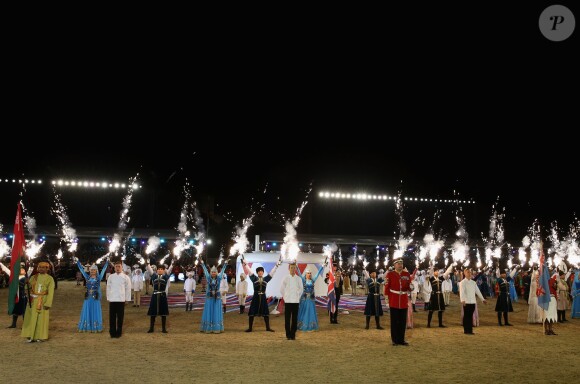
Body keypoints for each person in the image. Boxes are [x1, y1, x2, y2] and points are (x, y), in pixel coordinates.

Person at [242, 259, 281, 332]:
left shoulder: (266, 279)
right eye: (259, 271)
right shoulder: (254, 278)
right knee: (252, 312)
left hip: (263, 297)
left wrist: (276, 265)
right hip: (256, 297)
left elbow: (272, 273)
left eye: (261, 271)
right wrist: (246, 265)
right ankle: (250, 328)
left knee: (265, 312)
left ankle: (268, 328)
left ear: (263, 272)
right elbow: (250, 271)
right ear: (257, 273)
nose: (260, 272)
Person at [21, 261, 55, 342]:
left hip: (42, 301)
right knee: (30, 318)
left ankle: (40, 336)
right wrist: (26, 283)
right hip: (32, 300)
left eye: (43, 267)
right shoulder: (33, 277)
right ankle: (30, 335)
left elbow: (50, 292)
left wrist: (48, 303)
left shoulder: (50, 279)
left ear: (47, 269)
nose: (41, 269)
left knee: (41, 319)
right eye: (40, 267)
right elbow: (27, 288)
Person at [76, 259, 109, 332]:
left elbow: (103, 270)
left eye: (94, 270)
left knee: (95, 311)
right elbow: (81, 270)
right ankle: (87, 326)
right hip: (88, 298)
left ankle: (95, 327)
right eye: (91, 270)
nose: (92, 271)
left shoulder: (98, 278)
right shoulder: (87, 277)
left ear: (96, 271)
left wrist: (107, 263)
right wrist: (78, 263)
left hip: (95, 298)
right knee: (87, 310)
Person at [384, 258, 411, 346]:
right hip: (394, 300)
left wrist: (411, 287)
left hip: (403, 300)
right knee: (394, 321)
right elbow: (387, 288)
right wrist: (387, 300)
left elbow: (409, 286)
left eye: (401, 263)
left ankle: (401, 339)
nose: (400, 265)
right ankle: (395, 340)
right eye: (398, 263)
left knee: (403, 322)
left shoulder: (406, 274)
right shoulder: (390, 274)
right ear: (394, 265)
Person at [296, 262, 326, 332]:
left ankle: (311, 326)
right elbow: (300, 274)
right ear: (306, 274)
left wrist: (322, 266)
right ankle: (302, 325)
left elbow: (318, 273)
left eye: (310, 273)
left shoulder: (313, 280)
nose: (309, 274)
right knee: (304, 312)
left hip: (311, 300)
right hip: (305, 299)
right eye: (308, 273)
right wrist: (297, 267)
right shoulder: (303, 280)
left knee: (310, 312)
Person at [146, 259, 173, 333]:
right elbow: (149, 269)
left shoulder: (165, 277)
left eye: (161, 269)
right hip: (154, 296)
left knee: (163, 313)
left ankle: (163, 329)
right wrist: (148, 263)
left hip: (162, 296)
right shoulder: (154, 276)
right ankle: (151, 328)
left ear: (164, 270)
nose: (160, 270)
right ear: (156, 270)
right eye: (159, 269)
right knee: (153, 313)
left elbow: (170, 270)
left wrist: (172, 264)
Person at [106, 260, 132, 338]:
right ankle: (112, 332)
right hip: (113, 299)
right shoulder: (111, 276)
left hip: (121, 300)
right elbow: (108, 288)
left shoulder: (126, 277)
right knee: (112, 317)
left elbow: (128, 289)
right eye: (116, 267)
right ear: (114, 268)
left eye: (119, 267)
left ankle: (119, 332)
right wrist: (108, 297)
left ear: (122, 267)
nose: (117, 268)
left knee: (120, 317)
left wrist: (127, 299)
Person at [199, 261, 227, 333]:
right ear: (210, 273)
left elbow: (223, 270)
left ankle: (216, 327)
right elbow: (205, 271)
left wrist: (225, 264)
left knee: (216, 311)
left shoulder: (219, 278)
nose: (213, 273)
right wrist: (202, 264)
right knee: (209, 311)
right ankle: (208, 327)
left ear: (216, 273)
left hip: (217, 298)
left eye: (215, 272)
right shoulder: (208, 278)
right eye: (212, 272)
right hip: (209, 298)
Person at [459, 268, 487, 335]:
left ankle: (470, 330)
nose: (469, 274)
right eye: (468, 272)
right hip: (466, 302)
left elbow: (478, 291)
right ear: (464, 273)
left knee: (470, 316)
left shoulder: (473, 282)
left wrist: (482, 299)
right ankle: (466, 330)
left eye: (470, 272)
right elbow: (462, 292)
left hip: (473, 302)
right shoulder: (462, 282)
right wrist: (462, 300)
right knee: (466, 316)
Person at [280, 262, 303, 340]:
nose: (293, 269)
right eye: (291, 268)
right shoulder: (285, 278)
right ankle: (288, 334)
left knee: (294, 319)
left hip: (295, 302)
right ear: (289, 268)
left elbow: (301, 289)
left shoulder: (298, 279)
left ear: (296, 269)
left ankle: (293, 334)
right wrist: (285, 298)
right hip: (288, 301)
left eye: (294, 268)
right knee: (287, 319)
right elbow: (282, 289)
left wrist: (297, 296)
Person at [1, 262, 28, 328]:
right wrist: (1, 264)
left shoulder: (25, 278)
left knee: (23, 310)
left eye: (22, 269)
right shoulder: (15, 276)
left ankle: (25, 325)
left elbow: (24, 286)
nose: (20, 270)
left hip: (22, 296)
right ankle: (14, 324)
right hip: (15, 296)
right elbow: (6, 269)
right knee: (15, 310)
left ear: (25, 272)